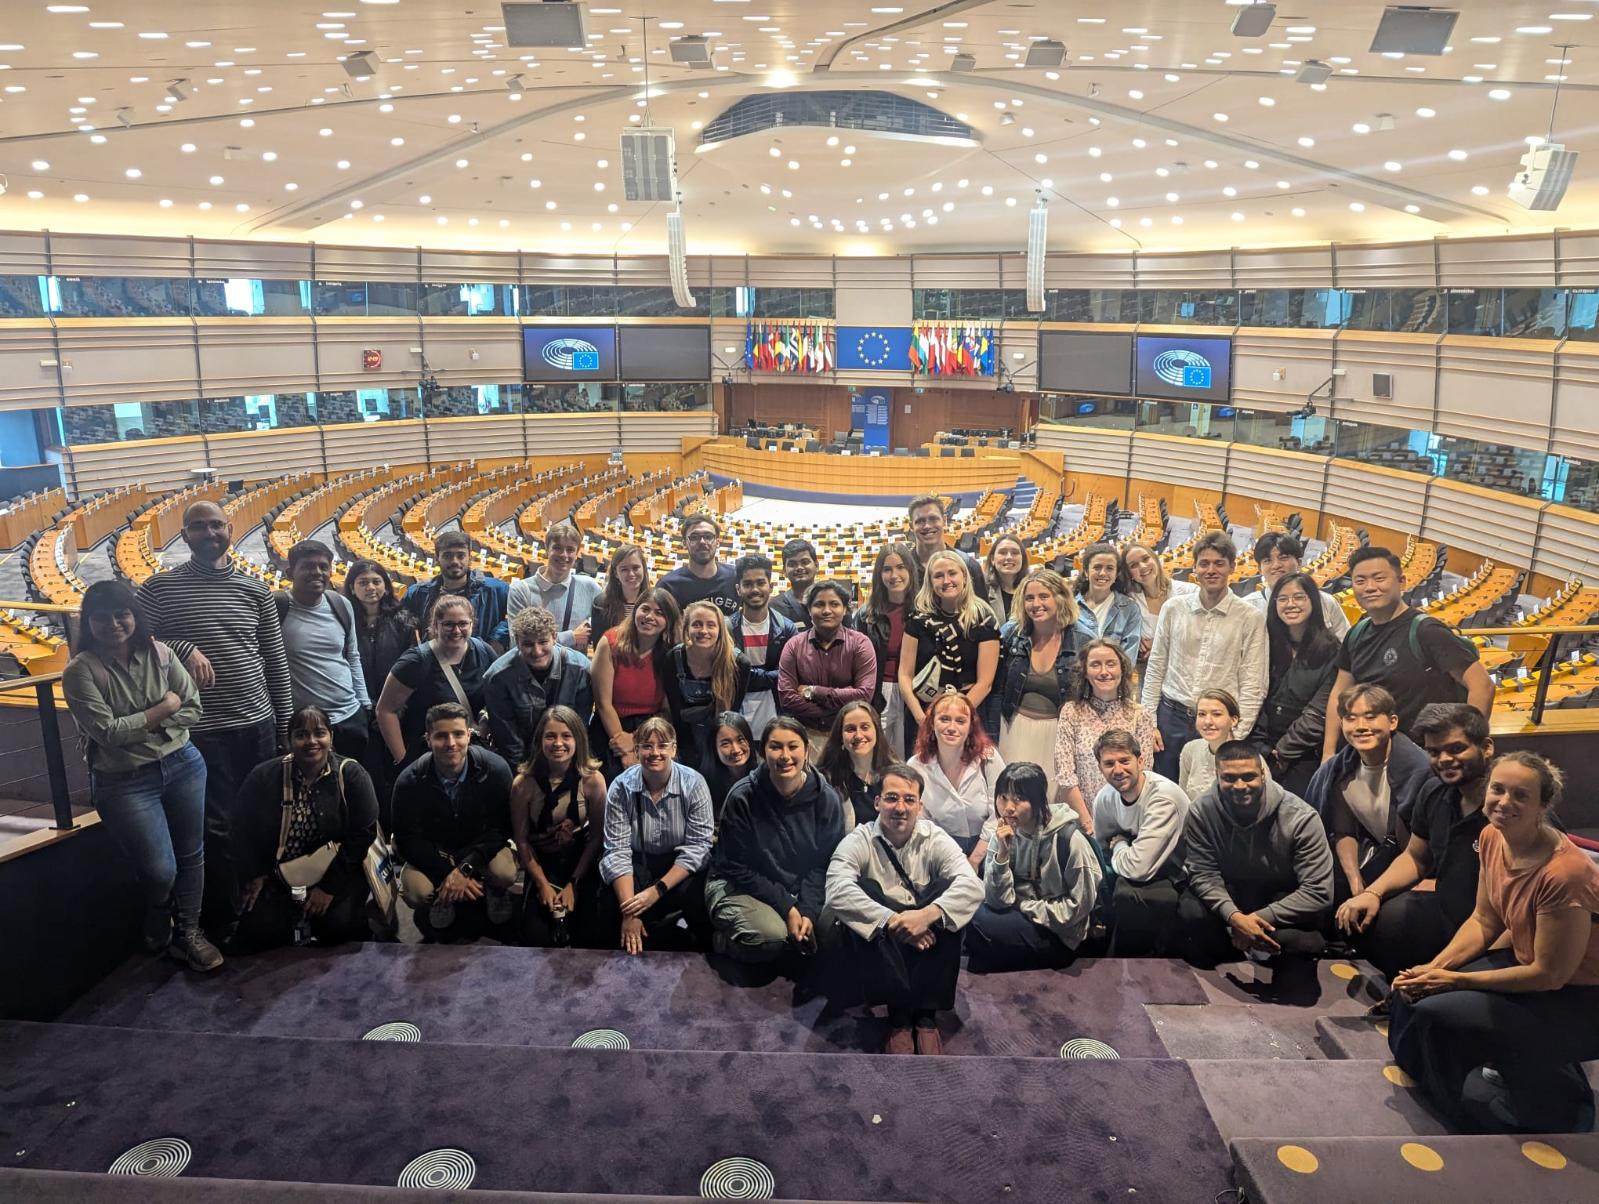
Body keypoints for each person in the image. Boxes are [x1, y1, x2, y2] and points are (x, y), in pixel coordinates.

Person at [1389, 751, 1599, 1135]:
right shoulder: (1491, 836)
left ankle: (1488, 1116)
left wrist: (1455, 980)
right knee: (1412, 995)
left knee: (1436, 1013)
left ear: (1542, 806)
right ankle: (1470, 1081)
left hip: (1578, 996)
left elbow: (1549, 975)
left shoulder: (1565, 873)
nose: (1504, 802)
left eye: (1521, 795)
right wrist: (1433, 968)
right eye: (1498, 789)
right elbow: (1484, 920)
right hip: (1528, 965)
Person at [136, 499, 293, 940]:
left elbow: (275, 661)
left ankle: (265, 904)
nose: (209, 533)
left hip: (256, 722)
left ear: (230, 529)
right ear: (184, 535)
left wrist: (283, 724)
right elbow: (133, 639)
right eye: (198, 527)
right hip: (198, 730)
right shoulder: (159, 589)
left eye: (216, 525)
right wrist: (182, 648)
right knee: (215, 827)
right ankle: (224, 918)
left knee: (261, 819)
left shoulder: (255, 589)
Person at [63, 580, 219, 972]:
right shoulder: (80, 671)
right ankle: (159, 908)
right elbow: (108, 734)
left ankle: (189, 933)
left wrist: (144, 724)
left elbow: (192, 707)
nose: (114, 624)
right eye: (102, 618)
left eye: (122, 615)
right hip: (125, 781)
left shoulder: (161, 653)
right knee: (160, 870)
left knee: (192, 854)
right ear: (88, 623)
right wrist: (163, 709)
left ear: (135, 615)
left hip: (183, 764)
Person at [824, 762, 984, 1055]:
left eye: (909, 799)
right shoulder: (859, 839)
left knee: (947, 894)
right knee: (866, 891)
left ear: (920, 806)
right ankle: (898, 1015)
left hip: (927, 931)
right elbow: (836, 888)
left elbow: (972, 885)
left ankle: (926, 1016)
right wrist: (893, 921)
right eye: (892, 798)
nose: (900, 807)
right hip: (886, 935)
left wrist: (926, 915)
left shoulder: (935, 837)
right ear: (877, 802)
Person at [1335, 703, 1494, 981]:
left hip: (1494, 929)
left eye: (1456, 749)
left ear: (1487, 747)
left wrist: (1440, 968)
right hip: (1448, 910)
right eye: (1434, 752)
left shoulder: (1510, 810)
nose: (1444, 759)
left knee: (1440, 992)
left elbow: (1520, 915)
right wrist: (1372, 893)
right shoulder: (1434, 790)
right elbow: (1416, 857)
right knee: (1360, 920)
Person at [1322, 545, 1493, 759]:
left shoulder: (1427, 631)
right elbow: (1339, 695)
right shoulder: (1356, 633)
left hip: (1426, 756)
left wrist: (1466, 745)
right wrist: (1328, 752)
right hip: (1375, 754)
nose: (1370, 587)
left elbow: (1482, 685)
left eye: (1379, 578)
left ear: (1401, 582)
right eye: (1360, 581)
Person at [231, 706, 379, 951]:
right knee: (259, 933)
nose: (311, 741)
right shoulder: (263, 776)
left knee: (339, 928)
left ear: (331, 737)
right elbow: (241, 829)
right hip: (278, 875)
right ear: (289, 740)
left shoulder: (352, 775)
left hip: (337, 871)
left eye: (319, 733)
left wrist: (328, 889)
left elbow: (363, 834)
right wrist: (254, 874)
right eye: (301, 735)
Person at [707, 717, 847, 965]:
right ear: (763, 752)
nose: (785, 756)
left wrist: (807, 910)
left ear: (807, 750)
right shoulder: (743, 797)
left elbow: (824, 864)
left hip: (800, 885)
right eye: (775, 747)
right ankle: (725, 941)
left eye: (793, 746)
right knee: (770, 939)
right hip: (740, 882)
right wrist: (788, 907)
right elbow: (735, 866)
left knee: (831, 931)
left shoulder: (826, 799)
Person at [1179, 741, 1334, 965]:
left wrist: (1255, 920)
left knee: (1304, 944)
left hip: (1279, 896)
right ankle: (1235, 948)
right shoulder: (1200, 812)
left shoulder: (1301, 817)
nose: (1240, 785)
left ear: (1262, 774)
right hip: (1231, 891)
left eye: (1248, 777)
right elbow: (1203, 873)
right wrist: (1234, 917)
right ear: (1217, 776)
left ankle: (1254, 943)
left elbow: (1319, 891)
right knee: (1190, 911)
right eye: (1229, 778)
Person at [1141, 531, 1268, 780]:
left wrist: (1236, 735)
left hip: (1218, 724)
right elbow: (1156, 666)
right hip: (1171, 719)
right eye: (1204, 563)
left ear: (1232, 567)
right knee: (1166, 789)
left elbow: (1254, 683)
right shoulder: (1173, 608)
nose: (1211, 570)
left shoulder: (1250, 618)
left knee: (1209, 794)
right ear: (1195, 568)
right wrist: (1149, 722)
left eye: (1219, 563)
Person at [391, 703, 518, 936]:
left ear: (469, 735)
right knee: (415, 892)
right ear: (428, 739)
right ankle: (443, 895)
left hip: (480, 848)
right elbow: (407, 840)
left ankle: (495, 891)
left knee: (505, 872)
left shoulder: (496, 769)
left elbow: (502, 828)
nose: (451, 743)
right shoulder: (409, 781)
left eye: (458, 734)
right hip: (435, 852)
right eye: (441, 736)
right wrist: (448, 872)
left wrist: (466, 868)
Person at [1307, 683, 1441, 902]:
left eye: (1370, 717)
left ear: (1392, 722)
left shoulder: (1423, 771)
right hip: (1380, 862)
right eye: (1350, 718)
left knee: (1393, 916)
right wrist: (1356, 885)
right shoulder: (1338, 771)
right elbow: (1343, 830)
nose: (1360, 726)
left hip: (1426, 870)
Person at [967, 762, 1102, 972]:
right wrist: (1002, 855)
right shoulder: (1003, 833)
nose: (1008, 807)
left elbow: (1077, 908)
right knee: (970, 916)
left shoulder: (1069, 839)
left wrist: (1024, 906)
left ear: (1038, 801)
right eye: (1003, 797)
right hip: (1021, 917)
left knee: (979, 928)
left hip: (1061, 934)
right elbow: (997, 901)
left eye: (1019, 799)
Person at [598, 716, 715, 955]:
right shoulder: (620, 787)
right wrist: (629, 911)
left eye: (662, 745)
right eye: (646, 746)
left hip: (679, 866)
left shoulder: (694, 783)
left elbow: (698, 848)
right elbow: (617, 851)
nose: (655, 753)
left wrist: (657, 891)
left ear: (674, 749)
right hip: (637, 864)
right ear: (636, 750)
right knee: (608, 907)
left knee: (697, 902)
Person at [510, 705, 607, 948]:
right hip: (542, 862)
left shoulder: (593, 780)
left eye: (566, 736)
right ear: (540, 740)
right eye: (550, 736)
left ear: (578, 740)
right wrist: (542, 885)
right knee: (537, 937)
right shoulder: (523, 784)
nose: (558, 743)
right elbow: (521, 840)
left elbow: (596, 837)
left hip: (580, 860)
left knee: (591, 935)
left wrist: (574, 883)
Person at [1090, 730, 1192, 958]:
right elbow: (1102, 849)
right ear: (1100, 768)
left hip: (1178, 872)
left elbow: (1139, 868)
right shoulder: (1104, 798)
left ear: (1141, 761)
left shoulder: (1162, 798)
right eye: (1109, 763)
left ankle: (1135, 963)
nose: (1118, 770)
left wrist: (1119, 844)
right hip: (1134, 862)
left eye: (1125, 761)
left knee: (1128, 894)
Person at [274, 540, 371, 760]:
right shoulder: (277, 608)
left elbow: (352, 656)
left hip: (350, 717)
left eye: (323, 566)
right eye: (308, 566)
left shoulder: (340, 604)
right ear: (290, 573)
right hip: (307, 725)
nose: (317, 572)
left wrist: (364, 705)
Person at [898, 550, 1000, 757]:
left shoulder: (983, 620)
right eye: (938, 576)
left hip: (966, 716)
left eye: (952, 573)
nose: (946, 581)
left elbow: (985, 682)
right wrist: (923, 718)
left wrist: (955, 717)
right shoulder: (917, 619)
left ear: (964, 576)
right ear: (930, 582)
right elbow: (905, 675)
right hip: (923, 714)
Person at [375, 595, 497, 768]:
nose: (456, 630)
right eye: (448, 624)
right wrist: (403, 761)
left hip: (473, 756)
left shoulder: (484, 651)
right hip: (429, 758)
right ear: (435, 625)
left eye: (463, 624)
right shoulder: (416, 661)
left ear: (472, 624)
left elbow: (498, 698)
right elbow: (385, 710)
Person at [1053, 638, 1159, 836]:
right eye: (1095, 665)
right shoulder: (1071, 712)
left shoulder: (1140, 715)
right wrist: (1088, 825)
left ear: (1122, 669)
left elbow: (1143, 774)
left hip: (1126, 822)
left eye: (1111, 664)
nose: (1104, 671)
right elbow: (1066, 776)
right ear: (1085, 672)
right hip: (1080, 821)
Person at [990, 569, 1077, 785]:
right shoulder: (1011, 634)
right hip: (1013, 729)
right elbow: (996, 689)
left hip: (1058, 734)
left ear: (1060, 598)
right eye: (1029, 598)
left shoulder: (1081, 639)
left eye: (1044, 596)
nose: (1036, 604)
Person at [482, 605, 594, 769]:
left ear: (554, 637)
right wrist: (525, 775)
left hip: (568, 756)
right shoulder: (498, 678)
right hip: (522, 761)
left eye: (543, 642)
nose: (537, 651)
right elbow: (508, 741)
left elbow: (580, 728)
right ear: (517, 641)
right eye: (528, 644)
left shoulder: (580, 670)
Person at [1260, 571, 1340, 797]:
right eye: (1283, 599)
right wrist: (1260, 748)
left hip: (1303, 754)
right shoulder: (1264, 641)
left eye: (1298, 597)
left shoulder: (1332, 649)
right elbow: (1254, 694)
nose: (1290, 604)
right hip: (1261, 748)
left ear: (1313, 600)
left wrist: (1281, 753)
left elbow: (1318, 712)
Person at [778, 580, 877, 757]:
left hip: (849, 738)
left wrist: (813, 691)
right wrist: (840, 707)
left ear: (845, 609)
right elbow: (787, 699)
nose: (826, 610)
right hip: (806, 737)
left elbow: (864, 695)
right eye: (819, 604)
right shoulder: (793, 646)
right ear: (809, 610)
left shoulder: (860, 644)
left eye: (834, 604)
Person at [909, 690, 1004, 870]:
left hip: (988, 847)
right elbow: (920, 822)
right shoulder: (916, 766)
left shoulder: (989, 758)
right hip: (939, 852)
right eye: (944, 719)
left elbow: (1001, 812)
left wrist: (974, 860)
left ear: (970, 727)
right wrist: (953, 862)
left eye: (960, 721)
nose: (952, 727)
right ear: (932, 723)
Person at [590, 587, 680, 779]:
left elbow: (666, 710)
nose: (649, 617)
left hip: (652, 726)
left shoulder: (671, 652)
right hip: (610, 725)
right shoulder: (610, 642)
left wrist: (635, 739)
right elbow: (603, 704)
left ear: (669, 620)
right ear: (635, 611)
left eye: (659, 613)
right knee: (613, 774)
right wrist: (624, 748)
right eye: (645, 609)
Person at [666, 599, 752, 772]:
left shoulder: (739, 664)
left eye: (711, 625)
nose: (703, 631)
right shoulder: (673, 659)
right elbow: (675, 712)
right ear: (686, 629)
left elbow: (731, 714)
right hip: (684, 741)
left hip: (721, 741)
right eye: (697, 624)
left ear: (720, 629)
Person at [852, 541, 920, 758]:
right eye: (887, 569)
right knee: (879, 756)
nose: (894, 575)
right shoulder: (866, 615)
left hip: (915, 692)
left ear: (910, 570)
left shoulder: (924, 611)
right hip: (879, 692)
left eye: (900, 567)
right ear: (879, 575)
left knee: (912, 754)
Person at [401, 529, 510, 651]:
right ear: (437, 558)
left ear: (470, 557)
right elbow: (399, 625)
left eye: (461, 555)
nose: (454, 561)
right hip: (436, 660)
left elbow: (518, 614)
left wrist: (498, 638)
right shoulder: (418, 593)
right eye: (447, 556)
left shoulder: (496, 589)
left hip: (482, 660)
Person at [729, 553, 797, 741]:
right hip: (736, 717)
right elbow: (727, 675)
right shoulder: (727, 629)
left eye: (760, 583)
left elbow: (791, 676)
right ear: (738, 589)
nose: (755, 589)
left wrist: (748, 676)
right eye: (748, 584)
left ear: (771, 586)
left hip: (777, 717)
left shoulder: (786, 628)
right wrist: (772, 676)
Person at [507, 521, 602, 652]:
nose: (564, 555)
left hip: (574, 664)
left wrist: (590, 627)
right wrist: (571, 637)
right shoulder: (520, 590)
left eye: (570, 550)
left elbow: (608, 623)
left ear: (577, 554)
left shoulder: (590, 587)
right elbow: (516, 642)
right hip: (535, 664)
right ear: (547, 549)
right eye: (557, 548)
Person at [342, 558, 418, 715]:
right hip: (354, 704)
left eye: (376, 582)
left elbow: (411, 666)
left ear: (386, 587)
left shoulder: (403, 621)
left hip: (396, 705)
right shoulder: (343, 621)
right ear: (352, 588)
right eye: (363, 583)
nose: (370, 587)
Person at [1243, 532, 1349, 637]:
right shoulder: (1248, 608)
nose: (1276, 565)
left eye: (1283, 558)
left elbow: (1344, 643)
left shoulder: (1326, 602)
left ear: (1299, 563)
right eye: (1267, 560)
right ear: (1259, 569)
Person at [820, 700, 893, 829]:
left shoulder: (896, 775)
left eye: (865, 727)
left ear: (877, 730)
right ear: (840, 736)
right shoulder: (827, 780)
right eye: (850, 729)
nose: (858, 735)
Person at [1121, 541, 1197, 664]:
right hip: (1148, 672)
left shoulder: (1190, 592)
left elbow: (1202, 636)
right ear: (1129, 574)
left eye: (1145, 559)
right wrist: (1135, 642)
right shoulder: (1129, 603)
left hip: (1188, 668)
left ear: (1156, 559)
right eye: (1133, 565)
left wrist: (1158, 647)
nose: (1142, 566)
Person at [905, 493, 989, 603]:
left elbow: (982, 610)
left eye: (933, 519)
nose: (927, 526)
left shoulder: (968, 566)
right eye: (920, 521)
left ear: (944, 520)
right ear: (911, 526)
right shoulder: (903, 568)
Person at [1177, 689, 1257, 800]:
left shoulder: (1250, 759)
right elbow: (1183, 798)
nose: (1207, 721)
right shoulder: (1190, 750)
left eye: (1217, 714)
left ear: (1233, 720)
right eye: (1201, 714)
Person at [1070, 542, 1142, 664]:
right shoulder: (1069, 607)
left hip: (1113, 675)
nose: (1103, 573)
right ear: (1086, 572)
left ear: (1116, 574)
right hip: (1076, 674)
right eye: (1097, 567)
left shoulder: (1130, 609)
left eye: (1109, 568)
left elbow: (1128, 658)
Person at [659, 512, 739, 618]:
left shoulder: (736, 577)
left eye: (708, 536)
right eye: (694, 537)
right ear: (684, 543)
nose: (702, 541)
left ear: (717, 542)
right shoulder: (668, 586)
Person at [704, 711, 759, 823]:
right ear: (714, 749)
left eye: (741, 740)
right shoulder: (704, 784)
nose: (736, 750)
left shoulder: (765, 774)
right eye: (725, 743)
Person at [589, 542, 650, 638]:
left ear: (644, 569)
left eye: (636, 568)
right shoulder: (601, 604)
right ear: (616, 573)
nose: (631, 574)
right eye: (624, 569)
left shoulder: (655, 603)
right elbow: (598, 642)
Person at [770, 537, 818, 627]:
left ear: (816, 565)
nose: (799, 567)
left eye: (805, 562)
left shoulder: (833, 601)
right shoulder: (774, 607)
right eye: (792, 564)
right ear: (784, 570)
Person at [983, 535, 1029, 624]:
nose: (1009, 557)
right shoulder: (982, 590)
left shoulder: (1033, 587)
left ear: (1022, 559)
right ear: (992, 559)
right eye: (1003, 552)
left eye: (1015, 553)